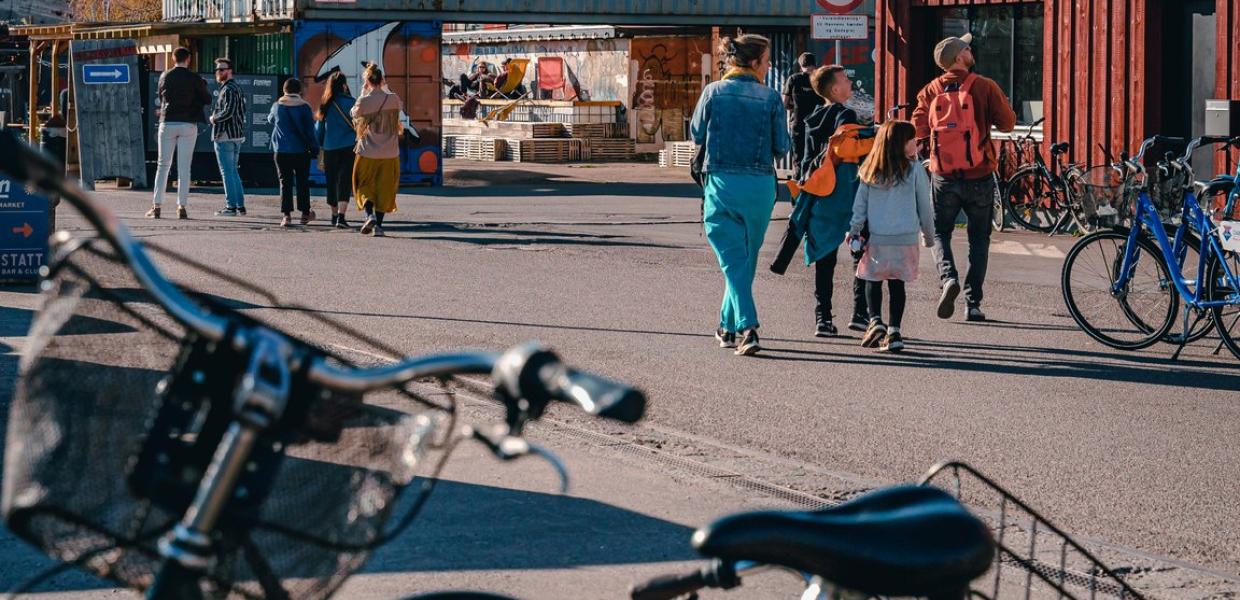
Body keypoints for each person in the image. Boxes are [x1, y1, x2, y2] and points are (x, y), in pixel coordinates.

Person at [689, 34, 789, 357]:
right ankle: (726, 327)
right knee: (743, 260)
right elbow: (783, 147)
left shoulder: (712, 92)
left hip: (722, 183)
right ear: (756, 62)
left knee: (733, 260)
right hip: (761, 187)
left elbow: (696, 133)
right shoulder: (771, 98)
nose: (770, 65)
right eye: (767, 60)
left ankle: (749, 327)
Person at [911, 33, 1016, 322]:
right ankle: (973, 303)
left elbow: (917, 129)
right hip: (980, 174)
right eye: (967, 48)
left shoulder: (930, 91)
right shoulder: (984, 86)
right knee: (979, 239)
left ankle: (947, 279)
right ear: (959, 58)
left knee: (941, 233)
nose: (971, 51)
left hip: (944, 175)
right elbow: (1008, 124)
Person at [847, 120, 935, 352]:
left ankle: (875, 320)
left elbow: (860, 205)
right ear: (901, 144)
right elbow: (924, 206)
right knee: (897, 285)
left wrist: (855, 230)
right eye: (912, 139)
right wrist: (929, 235)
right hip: (905, 239)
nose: (916, 143)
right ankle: (894, 331)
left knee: (872, 280)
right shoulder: (915, 170)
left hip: (878, 238)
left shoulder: (870, 168)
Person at [796, 64, 870, 336]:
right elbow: (848, 146)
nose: (850, 84)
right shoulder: (846, 113)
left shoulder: (813, 118)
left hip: (821, 193)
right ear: (835, 89)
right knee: (859, 250)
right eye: (845, 80)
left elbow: (805, 160)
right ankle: (861, 312)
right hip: (847, 190)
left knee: (825, 257)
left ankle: (823, 318)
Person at [148, 47, 211, 219]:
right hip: (188, 123)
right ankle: (181, 206)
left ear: (173, 59)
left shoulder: (165, 76)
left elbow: (162, 97)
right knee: (184, 167)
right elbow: (207, 99)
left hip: (167, 122)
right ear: (188, 59)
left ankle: (157, 206)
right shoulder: (194, 78)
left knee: (163, 166)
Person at [350, 63, 404, 238]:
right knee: (385, 188)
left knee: (363, 184)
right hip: (390, 153)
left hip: (367, 152)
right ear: (382, 80)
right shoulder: (394, 98)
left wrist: (363, 93)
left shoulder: (364, 101)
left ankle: (369, 215)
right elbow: (400, 106)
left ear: (367, 81)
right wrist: (385, 86)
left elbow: (354, 113)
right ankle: (378, 227)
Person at [267, 78, 319, 227]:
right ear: (299, 91)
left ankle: (286, 215)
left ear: (284, 90)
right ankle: (305, 214)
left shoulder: (277, 106)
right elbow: (310, 131)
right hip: (301, 151)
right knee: (303, 182)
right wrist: (315, 148)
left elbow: (270, 119)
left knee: (285, 182)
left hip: (281, 151)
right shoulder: (304, 107)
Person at [315, 71, 357, 229]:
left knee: (331, 181)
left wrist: (320, 144)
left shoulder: (325, 104)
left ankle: (333, 214)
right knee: (344, 181)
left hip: (330, 147)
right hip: (348, 147)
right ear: (344, 85)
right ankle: (341, 216)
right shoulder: (352, 102)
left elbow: (319, 130)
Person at [209, 58, 247, 217]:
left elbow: (229, 111)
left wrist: (214, 118)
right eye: (217, 70)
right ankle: (240, 206)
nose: (218, 73)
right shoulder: (236, 88)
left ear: (229, 71)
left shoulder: (229, 89)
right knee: (233, 172)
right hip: (236, 135)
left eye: (222, 69)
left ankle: (231, 207)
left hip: (225, 135)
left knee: (227, 172)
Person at [782, 52, 823, 180]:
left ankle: (797, 191)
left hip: (797, 124)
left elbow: (784, 103)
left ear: (800, 65)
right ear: (815, 65)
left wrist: (794, 108)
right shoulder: (819, 80)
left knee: (798, 159)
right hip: (817, 125)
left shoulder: (793, 79)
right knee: (815, 159)